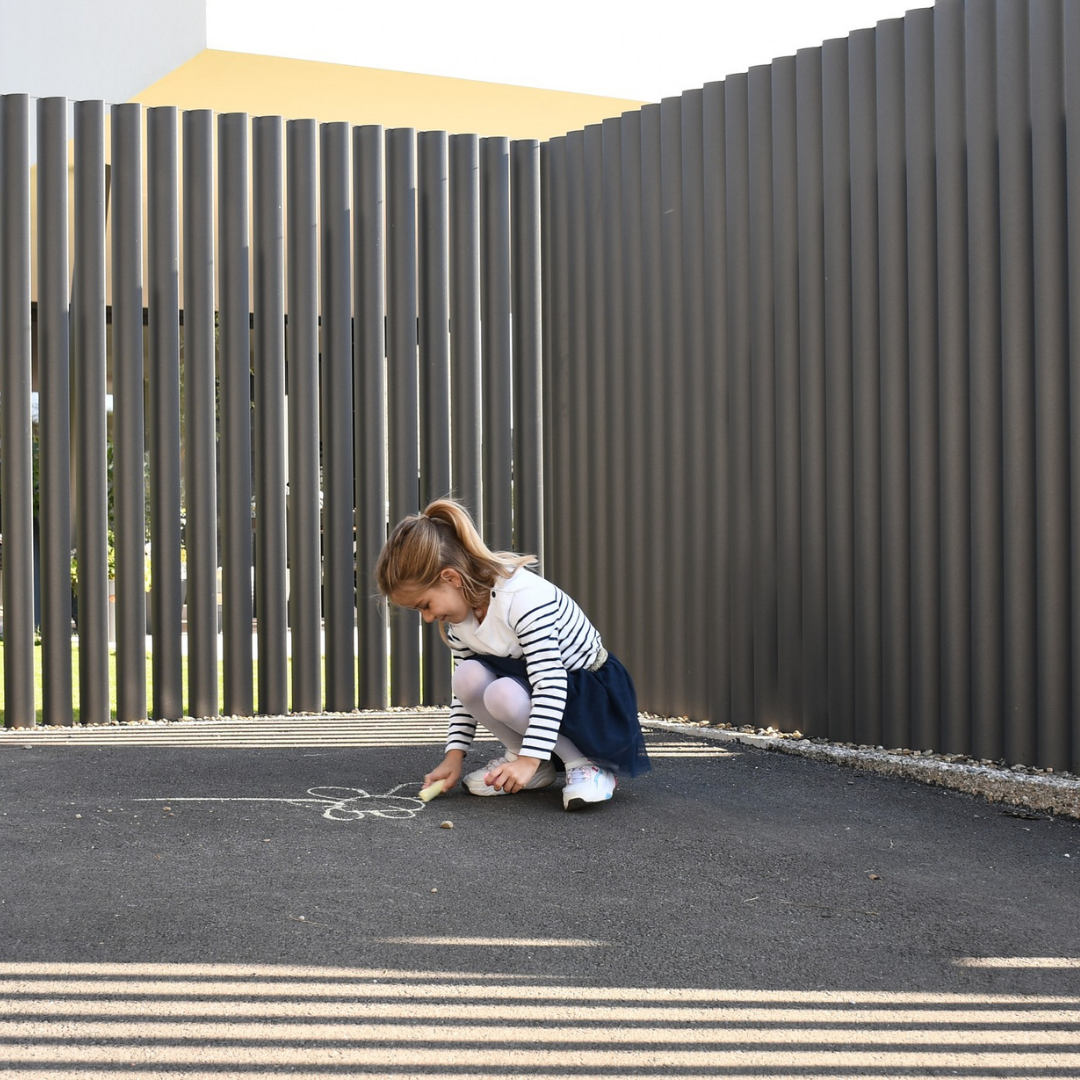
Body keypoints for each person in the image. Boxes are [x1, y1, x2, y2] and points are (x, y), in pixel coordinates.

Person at [375, 498, 650, 810]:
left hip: (589, 700)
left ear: (450, 578)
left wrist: (528, 759)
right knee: (467, 676)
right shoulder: (460, 620)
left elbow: (550, 683)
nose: (426, 618)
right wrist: (453, 757)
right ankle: (536, 765)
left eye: (424, 605)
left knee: (503, 692)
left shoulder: (522, 599)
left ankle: (586, 764)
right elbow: (465, 697)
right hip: (542, 694)